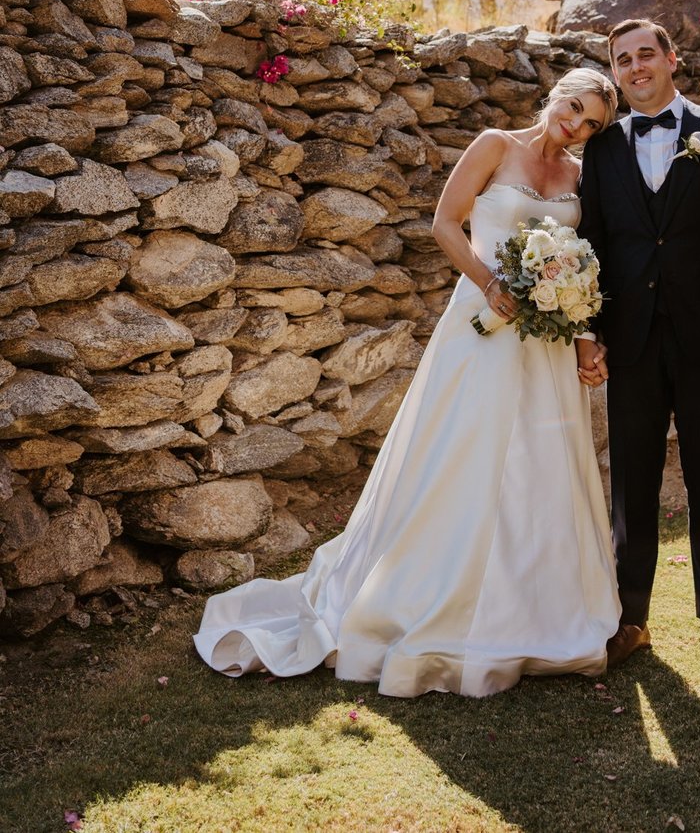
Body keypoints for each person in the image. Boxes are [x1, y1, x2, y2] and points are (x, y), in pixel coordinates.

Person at [194, 67, 621, 697]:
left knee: (541, 460)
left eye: (592, 124)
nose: (577, 125)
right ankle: (429, 594)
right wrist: (491, 285)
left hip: (546, 342)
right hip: (482, 322)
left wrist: (581, 329)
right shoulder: (494, 144)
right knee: (463, 453)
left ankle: (532, 606)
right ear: (554, 95)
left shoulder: (579, 177)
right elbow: (446, 224)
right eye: (575, 108)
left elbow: (584, 263)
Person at [577, 19, 700, 681]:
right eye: (621, 59)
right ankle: (630, 621)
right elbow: (594, 246)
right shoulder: (601, 149)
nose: (635, 66)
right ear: (616, 71)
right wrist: (591, 332)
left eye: (645, 54)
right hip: (630, 341)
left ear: (671, 58)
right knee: (631, 484)